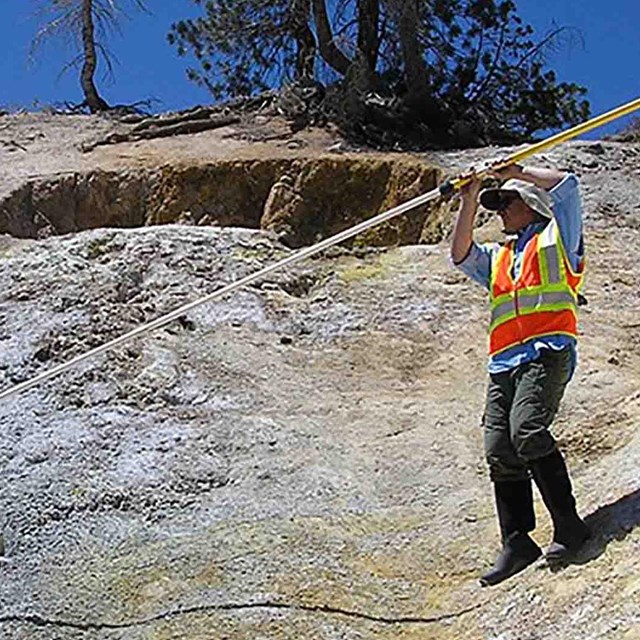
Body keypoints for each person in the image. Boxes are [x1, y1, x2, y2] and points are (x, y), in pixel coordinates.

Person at [450, 162, 590, 587]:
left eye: (506, 203)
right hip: (504, 364)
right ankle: (517, 541)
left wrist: (518, 170)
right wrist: (469, 198)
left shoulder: (558, 237)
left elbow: (568, 185)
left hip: (547, 353)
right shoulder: (498, 256)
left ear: (529, 205)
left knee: (526, 431)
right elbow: (460, 254)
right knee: (498, 446)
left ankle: (569, 526)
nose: (501, 212)